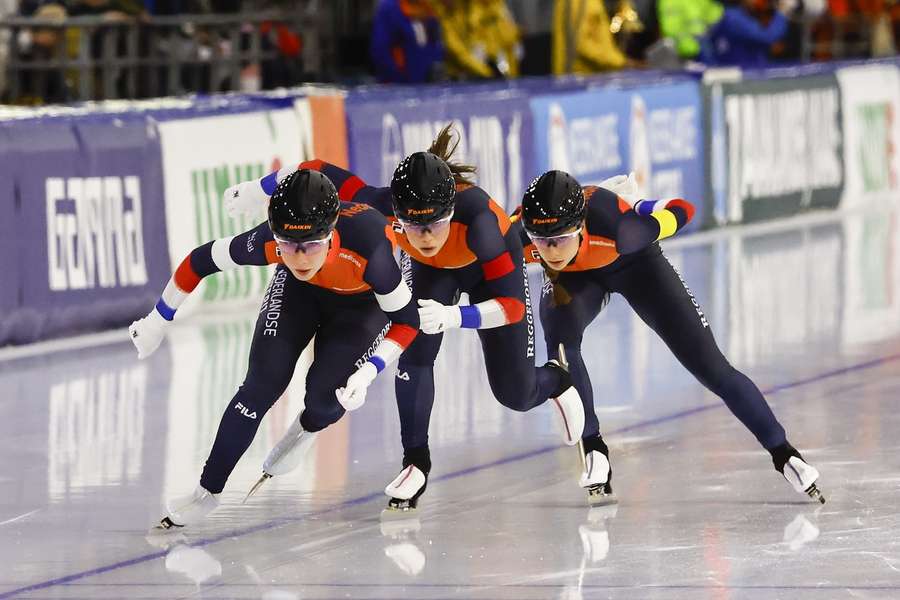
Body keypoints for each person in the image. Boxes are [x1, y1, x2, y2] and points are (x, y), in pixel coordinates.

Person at [226, 126, 587, 516]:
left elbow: (512, 308)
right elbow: (314, 169)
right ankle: (415, 460)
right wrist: (257, 190)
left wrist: (454, 316)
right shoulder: (380, 203)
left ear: (451, 211)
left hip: (489, 277)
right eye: (412, 226)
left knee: (515, 394)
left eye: (434, 223)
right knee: (415, 355)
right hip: (433, 274)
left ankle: (557, 380)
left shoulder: (482, 223)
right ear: (397, 213)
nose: (425, 235)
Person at [128, 169, 421, 528]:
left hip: (361, 307)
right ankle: (207, 490)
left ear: (330, 236)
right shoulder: (269, 243)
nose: (299, 258)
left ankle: (308, 426)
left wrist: (370, 368)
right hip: (299, 296)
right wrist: (157, 320)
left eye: (311, 245)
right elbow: (199, 261)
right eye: (288, 245)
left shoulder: (371, 248)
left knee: (324, 401)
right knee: (261, 385)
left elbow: (408, 322)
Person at [514, 170, 826, 504]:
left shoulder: (623, 229)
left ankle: (784, 453)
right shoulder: (514, 234)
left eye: (560, 237)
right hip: (574, 280)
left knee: (712, 368)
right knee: (561, 344)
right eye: (539, 239)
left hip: (636, 265)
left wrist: (645, 206)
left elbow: (684, 209)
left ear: (579, 227)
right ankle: (594, 449)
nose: (550, 249)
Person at [370, 0, 446, 83]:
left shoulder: (429, 7)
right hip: (399, 85)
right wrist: (397, 79)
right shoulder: (389, 8)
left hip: (427, 84)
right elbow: (380, 50)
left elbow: (434, 43)